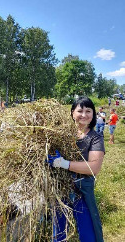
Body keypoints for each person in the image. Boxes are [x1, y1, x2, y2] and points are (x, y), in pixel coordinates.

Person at [47, 96, 105, 242]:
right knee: (59, 232)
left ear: (93, 114)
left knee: (88, 232)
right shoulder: (62, 134)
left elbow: (94, 167)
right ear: (72, 112)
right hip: (60, 189)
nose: (84, 115)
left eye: (88, 111)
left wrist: (64, 163)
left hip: (82, 190)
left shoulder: (95, 137)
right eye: (80, 110)